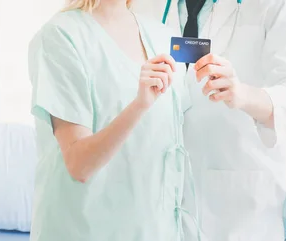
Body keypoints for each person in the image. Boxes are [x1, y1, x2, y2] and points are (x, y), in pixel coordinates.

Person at [131, 0, 286, 240]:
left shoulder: (276, 5)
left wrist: (242, 94)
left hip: (241, 213)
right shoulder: (143, 6)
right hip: (158, 208)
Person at [27, 0, 195, 240]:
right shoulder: (60, 37)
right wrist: (140, 105)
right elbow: (79, 163)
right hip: (84, 230)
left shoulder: (162, 37)